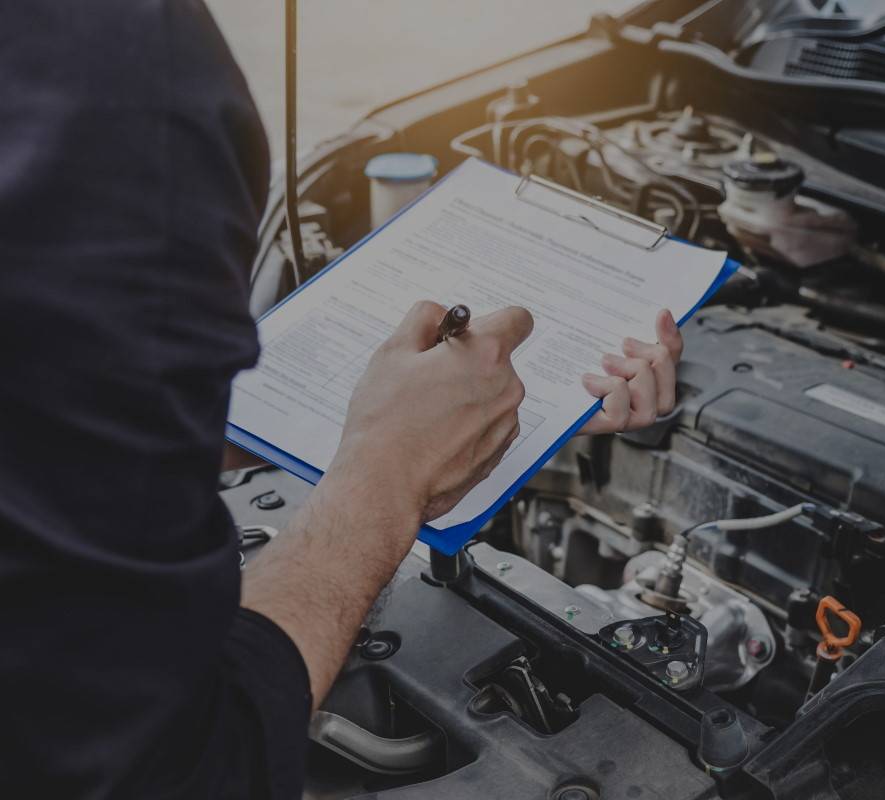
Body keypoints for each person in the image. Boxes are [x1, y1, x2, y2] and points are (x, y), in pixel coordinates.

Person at [0, 2, 683, 797]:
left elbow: (52, 425)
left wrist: (451, 412)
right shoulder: (107, 73)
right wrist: (388, 469)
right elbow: (158, 767)